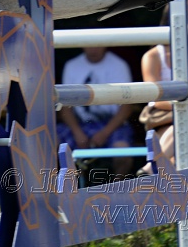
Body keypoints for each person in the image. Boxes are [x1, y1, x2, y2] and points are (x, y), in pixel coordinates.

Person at [136, 6, 188, 176]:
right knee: (180, 149)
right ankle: (154, 172)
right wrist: (187, 107)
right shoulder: (153, 56)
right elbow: (156, 97)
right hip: (162, 116)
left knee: (179, 154)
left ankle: (151, 168)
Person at [56, 46, 135, 176]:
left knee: (123, 153)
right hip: (79, 124)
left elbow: (127, 107)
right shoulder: (72, 65)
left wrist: (105, 132)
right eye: (88, 44)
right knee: (51, 142)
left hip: (112, 125)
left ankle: (118, 191)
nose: (93, 49)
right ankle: (63, 189)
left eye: (97, 44)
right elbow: (64, 105)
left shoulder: (119, 65)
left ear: (105, 44)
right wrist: (77, 132)